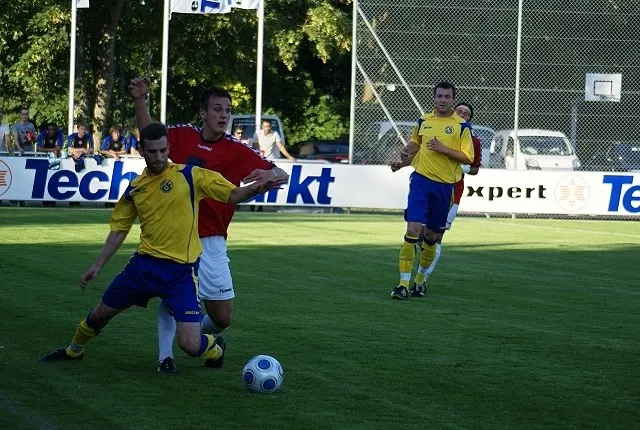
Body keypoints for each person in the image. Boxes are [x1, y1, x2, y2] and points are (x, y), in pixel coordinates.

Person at [39, 122, 285, 364]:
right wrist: (98, 265)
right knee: (100, 314)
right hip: (142, 268)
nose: (158, 157)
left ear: (168, 149)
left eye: (163, 150)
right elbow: (119, 230)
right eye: (152, 151)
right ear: (142, 151)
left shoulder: (191, 175)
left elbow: (233, 195)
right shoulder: (136, 188)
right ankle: (73, 351)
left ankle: (215, 349)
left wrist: (258, 188)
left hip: (180, 273)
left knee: (190, 344)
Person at [129, 77, 290, 373]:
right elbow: (149, 134)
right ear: (203, 113)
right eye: (217, 109)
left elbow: (281, 173)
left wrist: (273, 175)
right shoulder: (182, 136)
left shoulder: (237, 150)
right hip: (176, 236)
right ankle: (165, 357)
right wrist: (140, 100)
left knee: (222, 317)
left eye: (227, 110)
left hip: (212, 239)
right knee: (172, 296)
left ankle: (202, 339)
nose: (223, 115)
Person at [388, 81, 474, 300]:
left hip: (444, 187)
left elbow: (468, 157)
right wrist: (405, 154)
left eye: (447, 97)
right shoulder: (423, 121)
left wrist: (444, 149)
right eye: (439, 96)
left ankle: (419, 281)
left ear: (452, 99)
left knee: (431, 236)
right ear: (434, 98)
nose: (443, 100)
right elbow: (415, 143)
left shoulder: (461, 126)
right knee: (413, 229)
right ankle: (402, 284)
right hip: (420, 182)